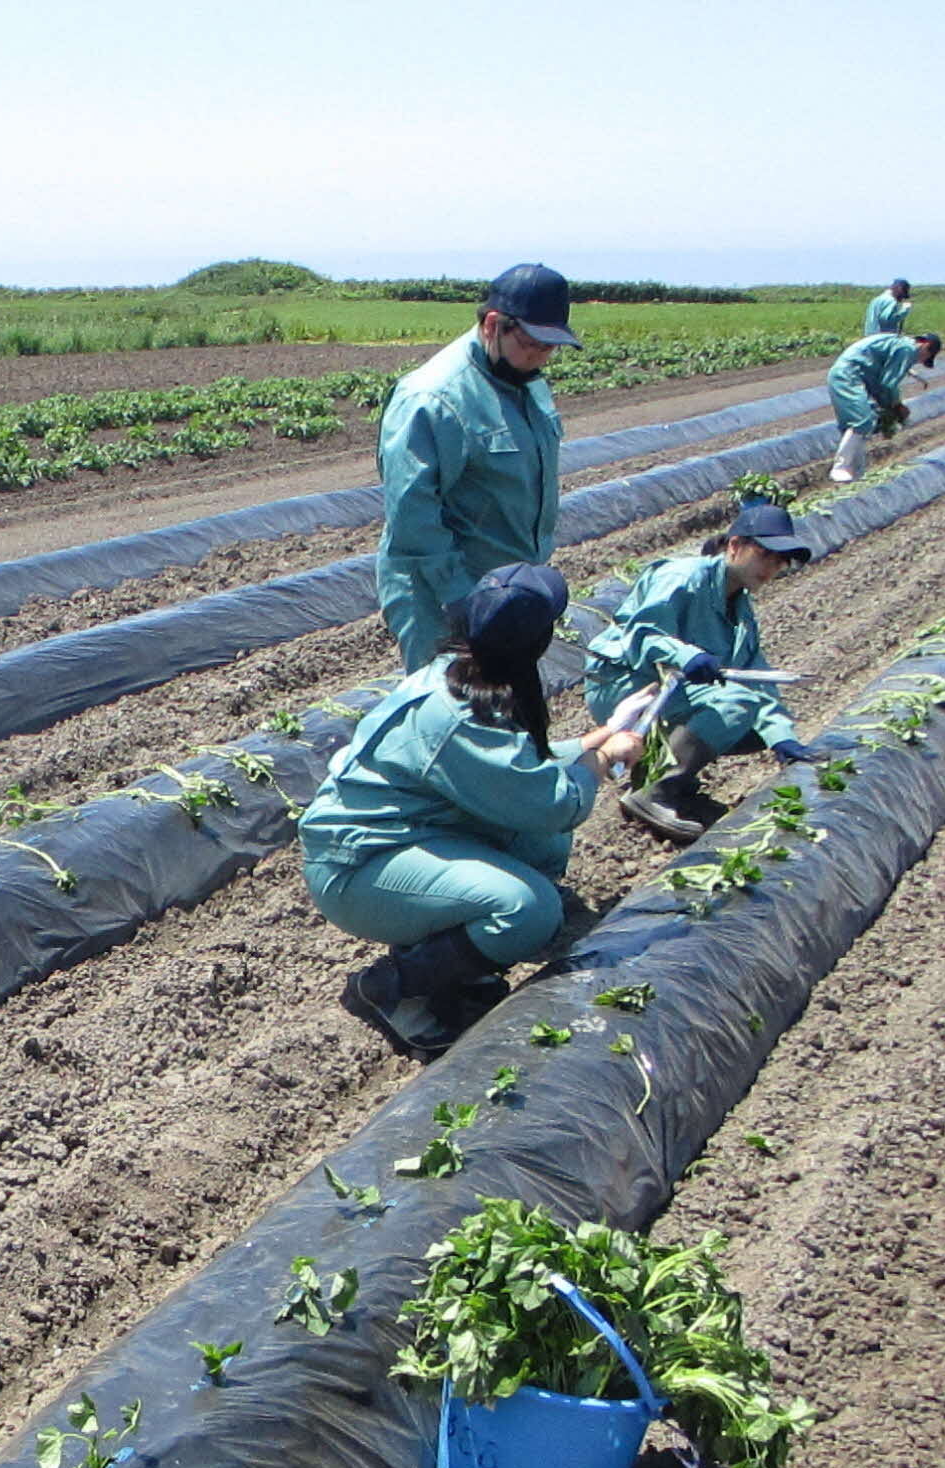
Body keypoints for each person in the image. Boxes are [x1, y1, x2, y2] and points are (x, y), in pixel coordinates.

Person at [300, 564, 644, 1061]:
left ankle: (459, 966)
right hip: (357, 869)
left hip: (404, 841)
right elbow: (553, 802)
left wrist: (604, 732)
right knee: (528, 908)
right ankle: (393, 989)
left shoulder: (461, 674)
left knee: (539, 846)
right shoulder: (455, 712)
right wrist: (607, 758)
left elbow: (517, 773)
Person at [375, 263, 581, 672]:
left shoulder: (527, 381)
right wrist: (464, 601)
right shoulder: (432, 398)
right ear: (493, 325)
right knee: (459, 715)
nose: (541, 357)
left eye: (550, 347)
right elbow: (412, 516)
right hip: (445, 594)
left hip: (509, 588)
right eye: (532, 344)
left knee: (510, 714)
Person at [588, 504, 826, 844]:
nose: (771, 568)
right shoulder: (682, 577)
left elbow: (756, 675)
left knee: (757, 724)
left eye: (780, 562)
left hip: (667, 689)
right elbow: (643, 635)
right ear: (734, 546)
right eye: (764, 555)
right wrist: (687, 655)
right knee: (735, 703)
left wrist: (782, 737)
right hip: (624, 683)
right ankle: (656, 792)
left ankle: (665, 777)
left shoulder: (740, 610)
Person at [827, 329, 941, 482]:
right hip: (848, 375)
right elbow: (888, 384)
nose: (919, 361)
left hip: (854, 375)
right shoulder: (907, 349)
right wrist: (896, 406)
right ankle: (840, 467)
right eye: (924, 357)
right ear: (925, 345)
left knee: (863, 424)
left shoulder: (900, 344)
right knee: (862, 421)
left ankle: (856, 470)